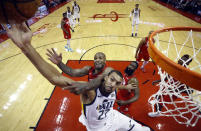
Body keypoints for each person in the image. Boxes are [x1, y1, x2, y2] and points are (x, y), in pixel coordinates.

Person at [3, 22, 152, 130]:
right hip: (99, 128)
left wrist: (124, 85)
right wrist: (26, 47)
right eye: (111, 79)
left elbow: (116, 83)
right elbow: (56, 78)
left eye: (116, 82)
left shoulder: (111, 82)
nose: (113, 84)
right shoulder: (90, 91)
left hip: (113, 117)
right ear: (105, 77)